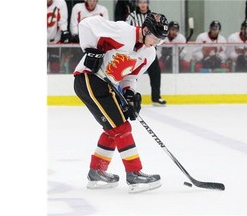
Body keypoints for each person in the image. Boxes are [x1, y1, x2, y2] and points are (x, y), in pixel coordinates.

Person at [73, 12, 169, 193]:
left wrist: (130, 94)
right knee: (122, 128)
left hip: (106, 85)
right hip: (89, 78)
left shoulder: (149, 54)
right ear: (145, 29)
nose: (157, 42)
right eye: (155, 38)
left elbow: (130, 77)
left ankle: (97, 171)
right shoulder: (123, 31)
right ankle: (134, 173)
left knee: (113, 129)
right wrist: (90, 50)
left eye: (160, 39)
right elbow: (86, 24)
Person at [126, 0, 167, 106]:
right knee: (132, 74)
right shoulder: (132, 16)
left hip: (149, 49)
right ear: (137, 4)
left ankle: (156, 97)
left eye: (145, 2)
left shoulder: (154, 17)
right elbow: (127, 29)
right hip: (135, 50)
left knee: (155, 73)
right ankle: (130, 96)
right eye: (140, 2)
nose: (143, 4)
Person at [47, 0, 71, 73]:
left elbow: (62, 22)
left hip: (54, 41)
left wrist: (64, 31)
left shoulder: (60, 3)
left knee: (55, 68)